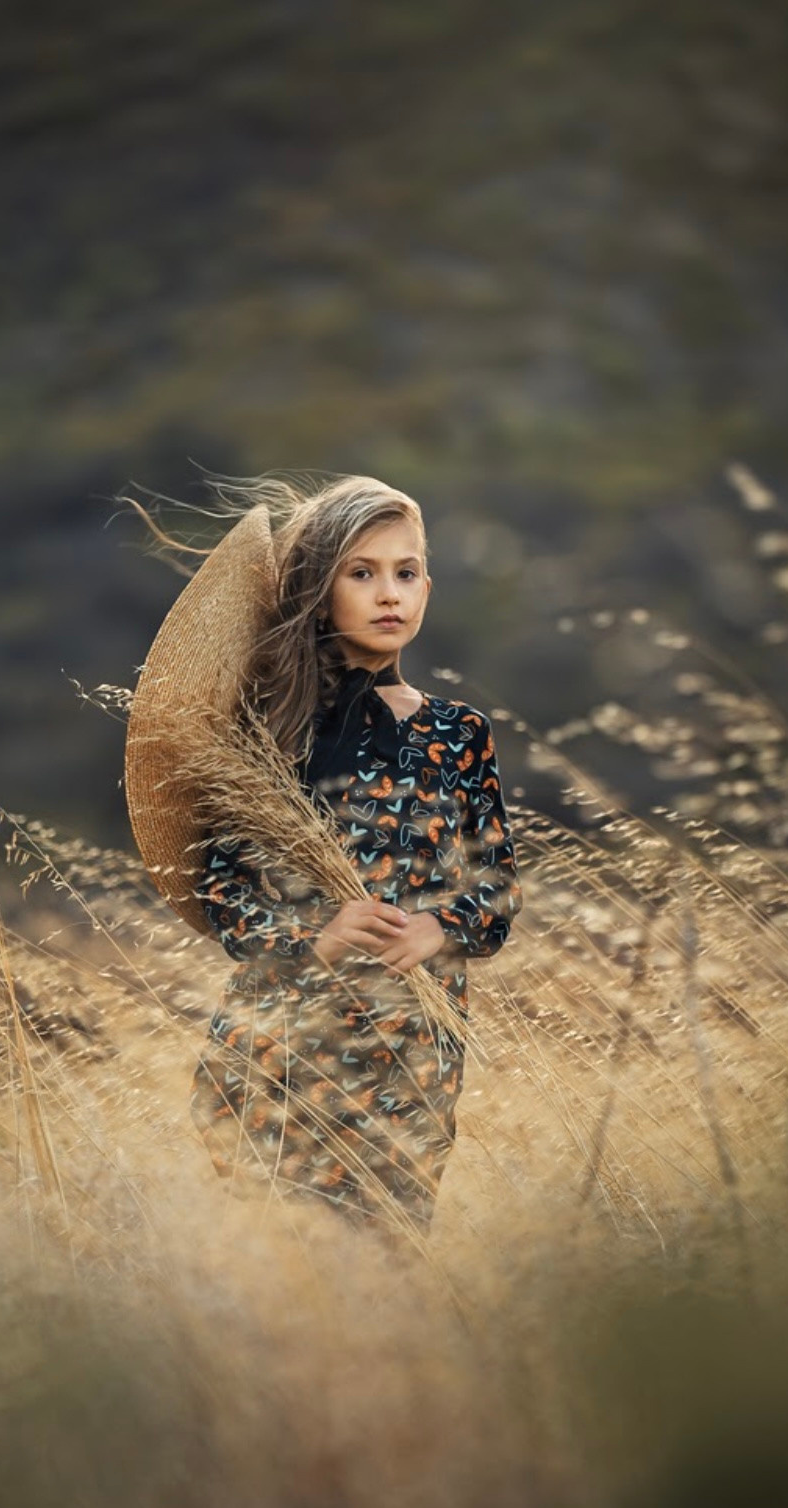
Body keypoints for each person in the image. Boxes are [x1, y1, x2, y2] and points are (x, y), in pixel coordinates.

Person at [183, 472, 523, 1238]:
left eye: (405, 573)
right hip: (285, 1035)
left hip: (413, 1047)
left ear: (429, 587)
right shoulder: (271, 731)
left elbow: (497, 890)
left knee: (390, 1253)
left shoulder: (460, 733)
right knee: (286, 1262)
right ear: (318, 586)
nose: (388, 593)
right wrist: (316, 941)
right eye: (362, 574)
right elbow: (219, 890)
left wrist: (441, 928)